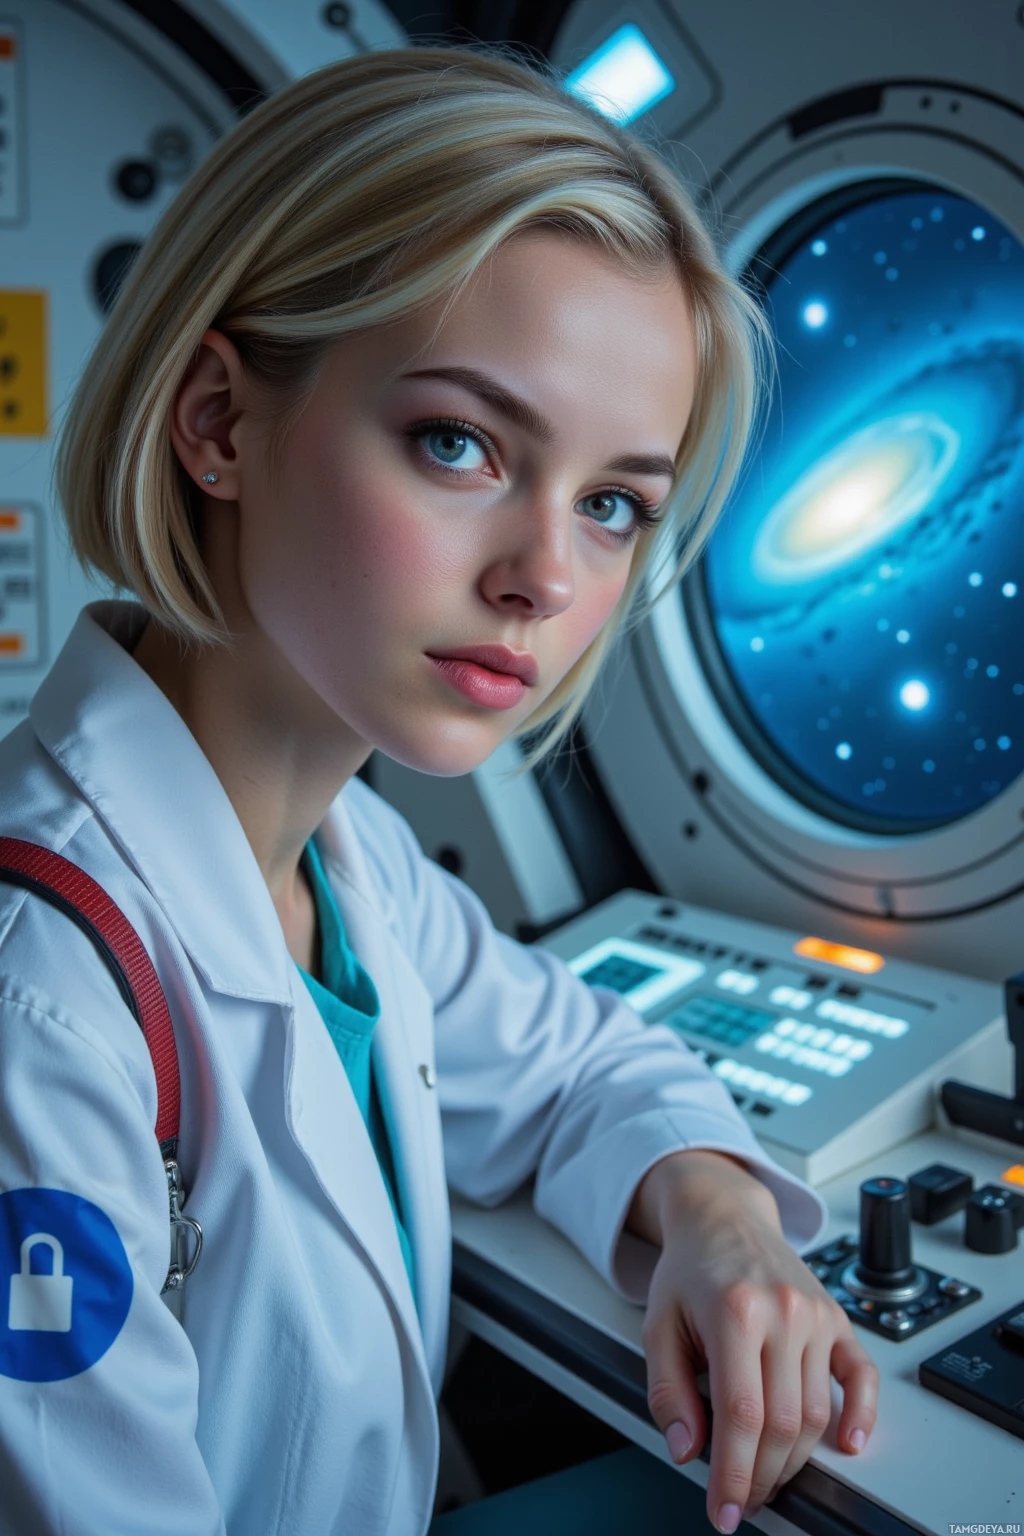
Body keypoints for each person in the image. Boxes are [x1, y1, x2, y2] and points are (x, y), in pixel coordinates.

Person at [0, 43, 877, 1536]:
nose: (546, 576)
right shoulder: (44, 1005)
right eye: (459, 444)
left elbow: (582, 1068)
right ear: (217, 423)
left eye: (612, 505)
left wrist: (721, 1216)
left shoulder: (350, 863)